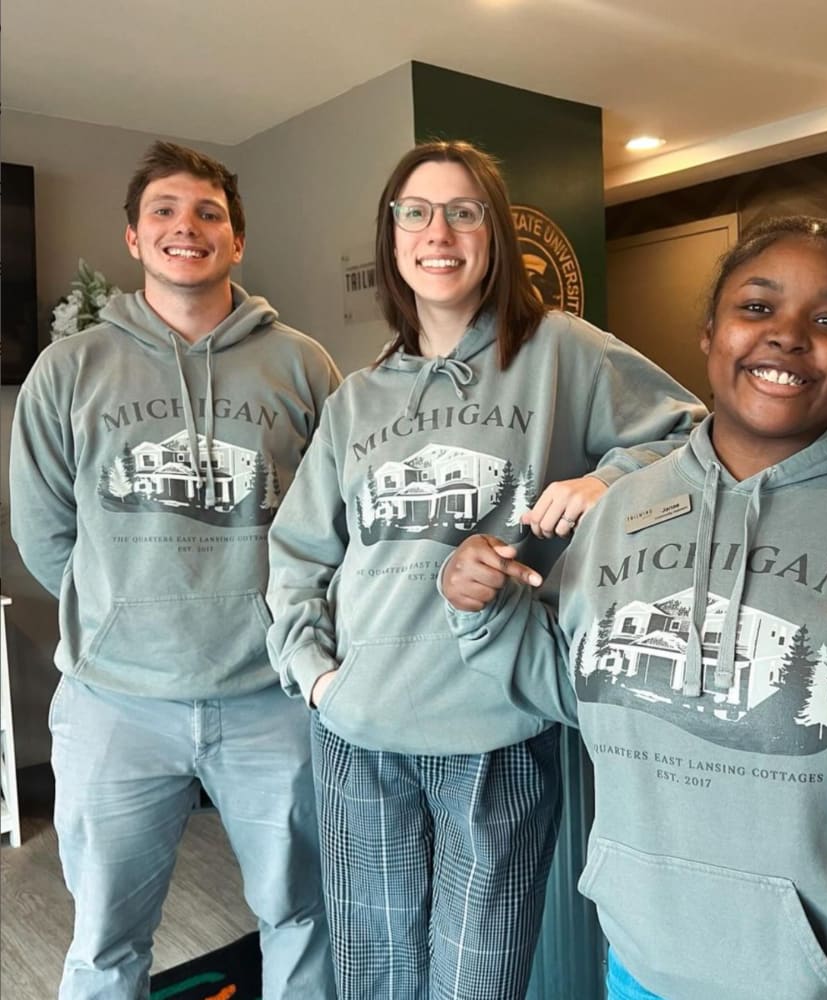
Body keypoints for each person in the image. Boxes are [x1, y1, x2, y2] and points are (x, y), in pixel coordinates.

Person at [442, 216, 827, 1000]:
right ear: (709, 335)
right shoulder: (617, 514)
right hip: (652, 968)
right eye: (757, 308)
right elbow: (573, 689)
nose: (790, 337)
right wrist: (484, 608)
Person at [265, 139, 706, 1000]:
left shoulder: (561, 351)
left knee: (478, 984)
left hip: (498, 727)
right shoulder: (358, 397)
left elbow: (689, 435)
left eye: (464, 211)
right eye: (417, 212)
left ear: (494, 234)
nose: (440, 231)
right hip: (360, 730)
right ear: (393, 237)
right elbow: (299, 553)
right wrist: (317, 680)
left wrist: (600, 480)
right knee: (375, 981)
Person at [9, 141, 340, 1000]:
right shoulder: (67, 369)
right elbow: (47, 534)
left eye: (207, 214)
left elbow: (336, 525)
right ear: (132, 237)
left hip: (274, 697)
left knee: (304, 914)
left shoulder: (302, 365)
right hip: (115, 700)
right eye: (163, 211)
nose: (184, 227)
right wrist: (125, 608)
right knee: (106, 939)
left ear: (235, 242)